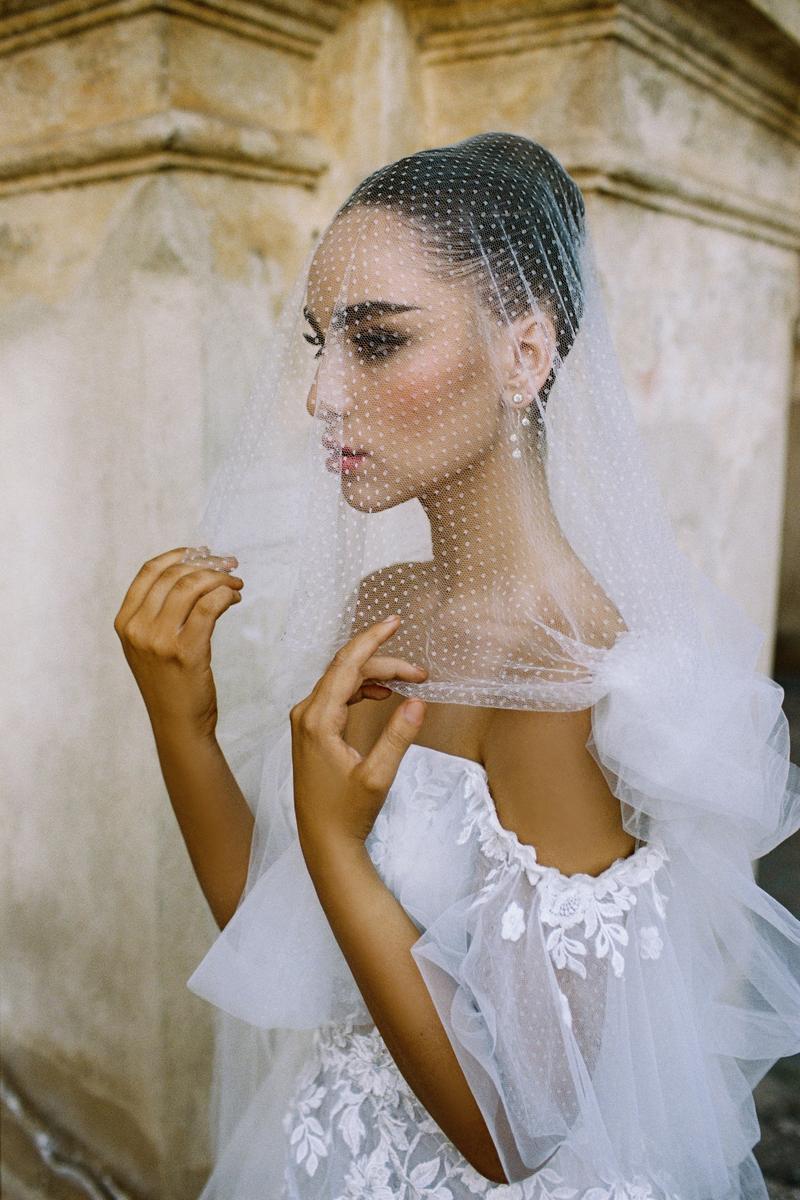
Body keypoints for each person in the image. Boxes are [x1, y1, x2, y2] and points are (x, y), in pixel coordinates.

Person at [114, 133, 800, 1199]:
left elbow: (517, 1127)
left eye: (377, 341)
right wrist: (182, 727)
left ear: (523, 355)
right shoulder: (385, 607)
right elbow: (291, 949)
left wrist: (335, 843)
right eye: (321, 343)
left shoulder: (562, 677)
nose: (322, 394)